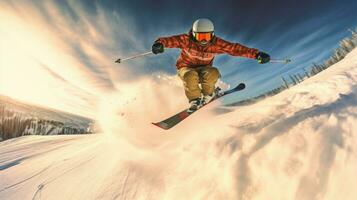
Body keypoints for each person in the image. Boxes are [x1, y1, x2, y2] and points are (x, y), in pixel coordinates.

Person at [152, 18, 270, 112]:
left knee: (212, 72)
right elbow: (171, 40)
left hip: (204, 68)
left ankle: (208, 94)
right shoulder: (186, 40)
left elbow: (235, 49)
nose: (204, 40)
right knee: (190, 75)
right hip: (185, 66)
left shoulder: (217, 44)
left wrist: (256, 54)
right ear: (193, 34)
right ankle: (195, 100)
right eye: (200, 37)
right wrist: (159, 44)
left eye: (207, 37)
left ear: (212, 35)